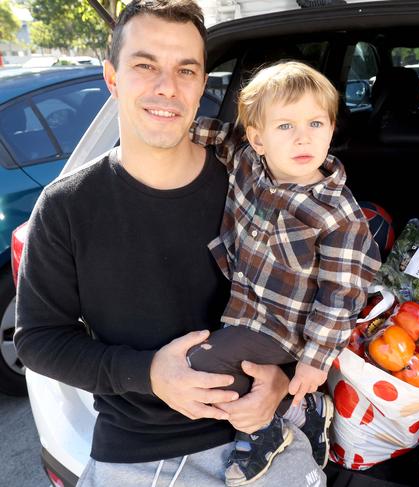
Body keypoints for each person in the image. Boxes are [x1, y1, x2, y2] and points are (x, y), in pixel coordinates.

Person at [14, 1, 327, 486]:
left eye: (186, 69)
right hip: (139, 453)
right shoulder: (65, 207)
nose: (167, 86)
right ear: (112, 78)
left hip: (268, 433)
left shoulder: (251, 184)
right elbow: (37, 341)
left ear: (203, 84)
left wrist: (283, 385)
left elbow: (305, 294)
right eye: (145, 66)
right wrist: (149, 374)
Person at [187, 61, 382, 485]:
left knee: (202, 362)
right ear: (257, 138)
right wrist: (172, 127)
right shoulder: (247, 160)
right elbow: (217, 134)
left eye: (316, 122)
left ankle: (264, 429)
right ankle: (304, 411)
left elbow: (342, 295)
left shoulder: (337, 215)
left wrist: (314, 362)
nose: (303, 137)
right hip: (243, 302)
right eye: (285, 126)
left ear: (331, 129)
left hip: (288, 329)